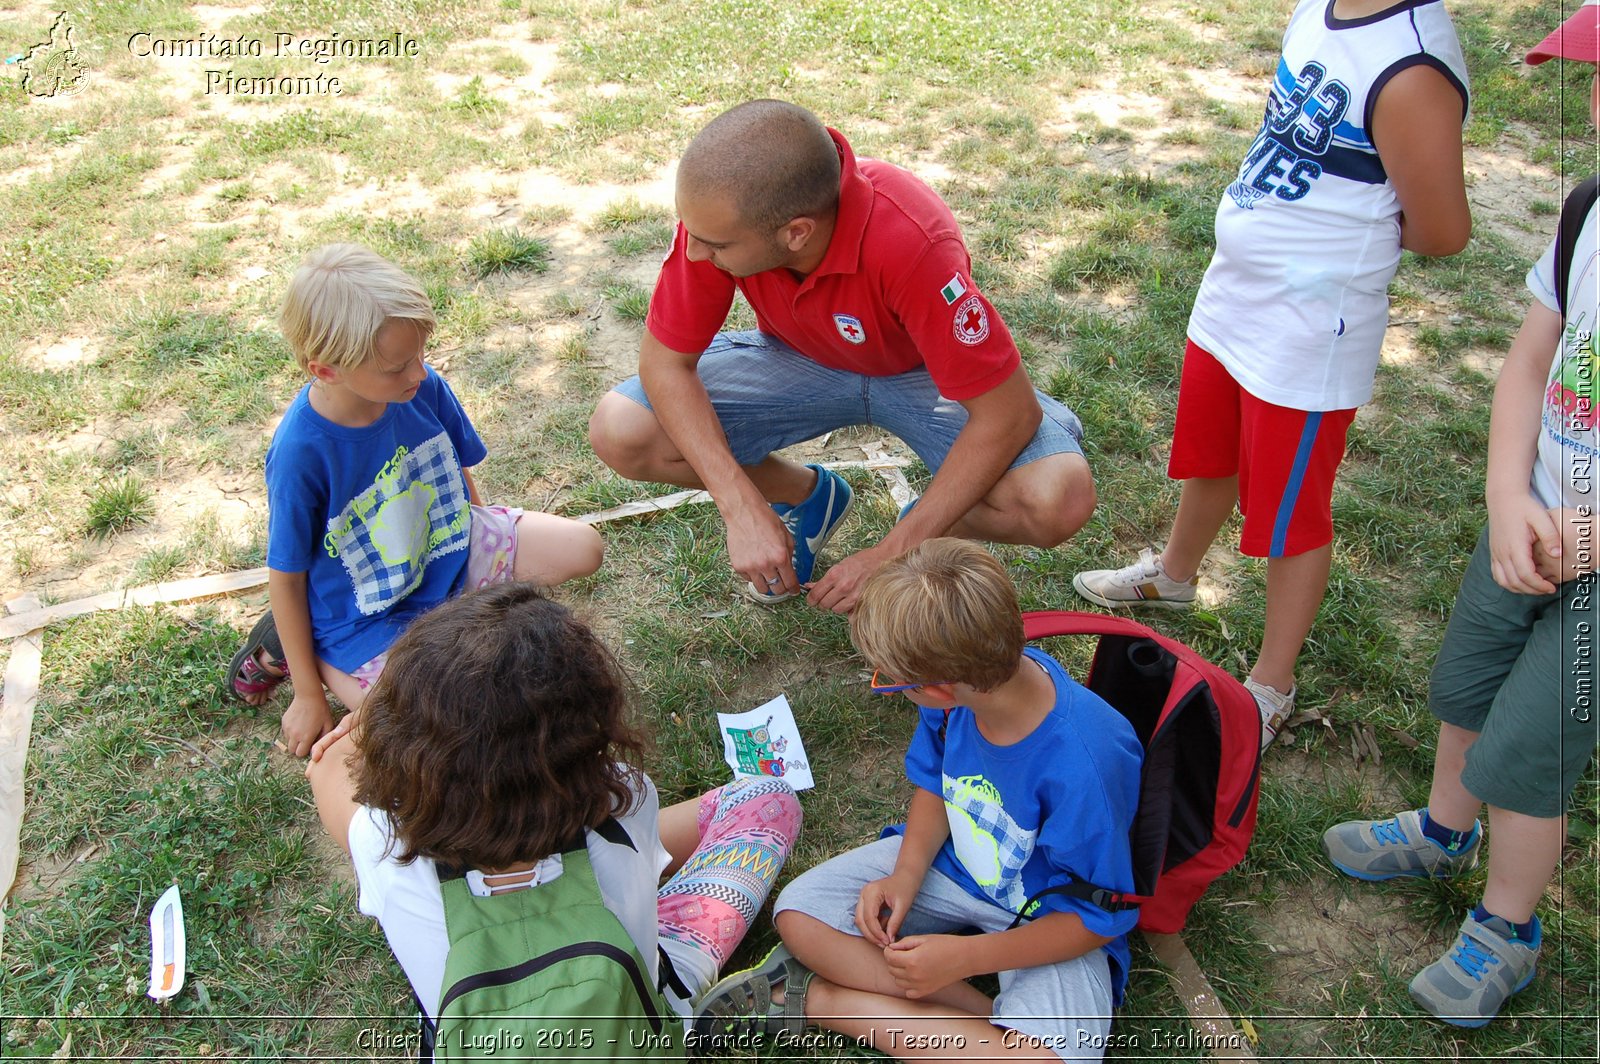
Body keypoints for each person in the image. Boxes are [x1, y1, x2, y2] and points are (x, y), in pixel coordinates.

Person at [1071, 0, 1472, 750]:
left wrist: (1339, 243)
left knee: (1290, 513)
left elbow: (1443, 230)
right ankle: (1175, 574)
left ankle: (1271, 683)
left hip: (1311, 328)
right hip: (1236, 295)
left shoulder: (1413, 67)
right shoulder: (1320, 10)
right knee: (1213, 451)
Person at [1322, 1, 1600, 1028]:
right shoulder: (1587, 209)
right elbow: (1530, 359)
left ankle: (1507, 929)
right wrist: (1504, 496)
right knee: (1467, 678)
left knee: (1532, 747)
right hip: (1527, 517)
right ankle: (1443, 828)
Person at [588, 99, 1095, 614]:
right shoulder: (720, 218)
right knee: (623, 430)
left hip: (922, 376)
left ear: (797, 233)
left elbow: (1008, 414)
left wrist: (890, 553)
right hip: (802, 360)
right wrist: (739, 505)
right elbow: (664, 364)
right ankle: (809, 496)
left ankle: (924, 521)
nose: (694, 253)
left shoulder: (912, 243)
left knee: (1057, 500)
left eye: (714, 246)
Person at [694, 539, 1142, 1060]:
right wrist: (904, 875)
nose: (885, 687)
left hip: (1048, 915)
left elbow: (1096, 918)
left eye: (891, 681)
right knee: (799, 914)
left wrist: (968, 957)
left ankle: (828, 1002)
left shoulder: (1087, 762)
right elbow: (936, 783)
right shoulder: (962, 698)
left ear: (939, 689)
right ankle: (986, 1020)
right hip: (953, 868)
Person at [305, 582, 804, 1040]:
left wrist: (381, 708)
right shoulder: (626, 801)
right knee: (766, 799)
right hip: (633, 1022)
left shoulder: (382, 842)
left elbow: (327, 766)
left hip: (482, 1032)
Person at [226, 243, 604, 757]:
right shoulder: (300, 454)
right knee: (437, 722)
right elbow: (286, 575)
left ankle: (419, 623)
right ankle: (305, 652)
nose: (418, 374)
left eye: (420, 356)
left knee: (583, 547)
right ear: (326, 369)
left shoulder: (418, 386)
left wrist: (484, 569)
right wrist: (309, 696)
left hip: (444, 554)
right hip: (364, 614)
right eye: (397, 366)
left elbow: (457, 467)